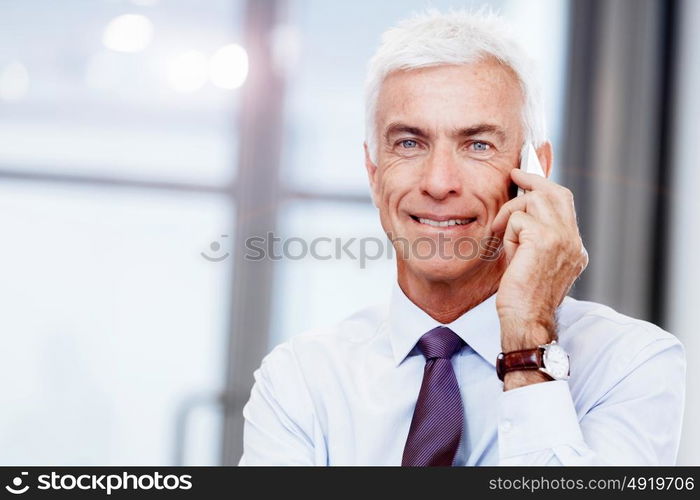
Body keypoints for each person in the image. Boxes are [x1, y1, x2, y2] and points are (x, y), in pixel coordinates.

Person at [239, 10, 686, 466]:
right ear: (373, 174)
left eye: (477, 145)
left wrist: (527, 337)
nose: (438, 182)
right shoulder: (301, 378)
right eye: (410, 143)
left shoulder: (630, 363)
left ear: (535, 172)